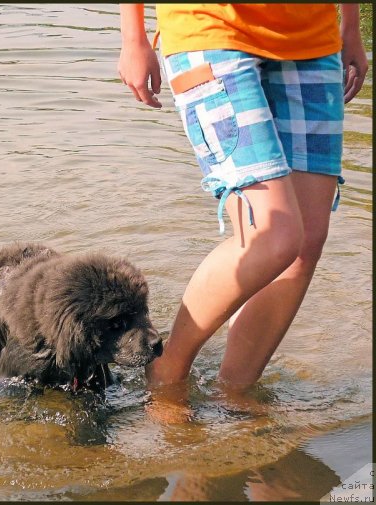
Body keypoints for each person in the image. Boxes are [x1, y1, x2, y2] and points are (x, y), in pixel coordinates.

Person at [118, 4, 367, 389]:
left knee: (306, 243)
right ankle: (166, 375)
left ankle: (234, 393)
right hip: (210, 29)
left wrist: (351, 26)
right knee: (273, 236)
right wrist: (133, 36)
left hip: (313, 39)